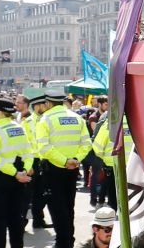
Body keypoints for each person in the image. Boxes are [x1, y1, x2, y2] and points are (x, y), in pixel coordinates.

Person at [34, 90, 90, 248]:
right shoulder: (77, 117)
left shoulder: (45, 119)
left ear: (48, 103)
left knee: (57, 208)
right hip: (72, 170)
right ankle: (69, 240)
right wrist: (75, 160)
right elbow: (87, 144)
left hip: (53, 170)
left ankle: (62, 242)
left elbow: (44, 148)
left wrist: (64, 161)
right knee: (68, 206)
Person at [0, 98, 33, 248]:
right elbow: (28, 153)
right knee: (15, 217)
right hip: (19, 180)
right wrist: (23, 172)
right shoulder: (19, 128)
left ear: (1, 113)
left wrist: (15, 173)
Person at [20, 93, 52, 230]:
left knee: (42, 192)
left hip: (45, 160)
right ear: (36, 106)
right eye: (43, 105)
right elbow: (23, 144)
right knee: (27, 194)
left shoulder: (47, 120)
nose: (45, 107)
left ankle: (38, 220)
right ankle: (21, 222)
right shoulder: (27, 123)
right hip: (32, 161)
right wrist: (27, 165)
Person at [91, 115, 132, 210]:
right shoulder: (136, 120)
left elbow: (97, 147)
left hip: (113, 166)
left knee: (114, 196)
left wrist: (105, 158)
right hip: (134, 165)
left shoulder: (110, 123)